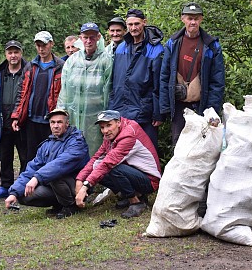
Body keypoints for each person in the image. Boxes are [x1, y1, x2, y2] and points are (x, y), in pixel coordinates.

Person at [159, 2, 225, 145]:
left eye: (196, 18)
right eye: (189, 18)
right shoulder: (173, 43)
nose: (193, 22)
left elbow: (217, 81)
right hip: (178, 107)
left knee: (201, 147)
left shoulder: (212, 46)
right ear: (183, 19)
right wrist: (164, 108)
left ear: (201, 19)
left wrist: (211, 110)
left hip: (201, 106)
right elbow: (164, 76)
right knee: (179, 146)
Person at [75, 110, 161, 218]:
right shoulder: (110, 136)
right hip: (133, 173)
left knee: (111, 167)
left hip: (150, 180)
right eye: (102, 127)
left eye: (109, 125)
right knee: (97, 166)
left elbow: (108, 163)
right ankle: (130, 195)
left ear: (118, 123)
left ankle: (136, 202)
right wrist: (79, 180)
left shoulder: (129, 135)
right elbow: (96, 158)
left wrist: (85, 186)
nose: (105, 131)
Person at [4, 109, 89, 219]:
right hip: (55, 185)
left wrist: (36, 178)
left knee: (54, 176)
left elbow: (60, 165)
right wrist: (14, 192)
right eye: (52, 122)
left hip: (77, 185)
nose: (56, 126)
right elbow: (32, 168)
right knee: (23, 195)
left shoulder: (77, 141)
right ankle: (59, 204)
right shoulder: (47, 144)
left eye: (59, 122)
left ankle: (71, 206)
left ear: (67, 124)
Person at [109, 9, 164, 152]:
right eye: (130, 24)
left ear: (144, 23)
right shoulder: (121, 47)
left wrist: (158, 113)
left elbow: (159, 83)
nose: (133, 28)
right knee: (122, 152)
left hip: (144, 111)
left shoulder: (156, 49)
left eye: (137, 24)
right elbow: (114, 80)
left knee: (147, 152)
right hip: (121, 109)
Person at [10, 31, 65, 173]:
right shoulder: (30, 66)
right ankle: (24, 189)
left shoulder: (61, 66)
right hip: (31, 120)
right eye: (38, 45)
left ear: (51, 44)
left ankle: (47, 190)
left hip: (51, 121)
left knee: (51, 157)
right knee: (29, 157)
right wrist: (16, 116)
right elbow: (21, 93)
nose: (41, 48)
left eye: (44, 45)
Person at [57, 22, 113, 156]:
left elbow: (109, 92)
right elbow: (64, 91)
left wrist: (106, 119)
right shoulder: (72, 61)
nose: (89, 41)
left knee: (94, 153)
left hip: (96, 118)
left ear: (98, 37)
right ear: (80, 38)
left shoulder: (106, 61)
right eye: (85, 37)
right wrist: (62, 113)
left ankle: (91, 177)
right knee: (73, 150)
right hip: (74, 116)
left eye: (92, 37)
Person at [0, 40, 28, 199]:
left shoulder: (28, 70)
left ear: (21, 53)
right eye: (10, 52)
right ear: (6, 54)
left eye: (16, 52)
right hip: (4, 122)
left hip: (23, 122)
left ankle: (23, 186)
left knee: (25, 156)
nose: (13, 56)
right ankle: (5, 186)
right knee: (5, 155)